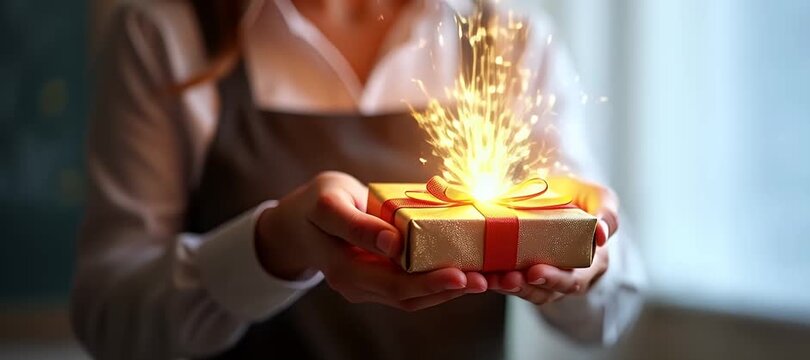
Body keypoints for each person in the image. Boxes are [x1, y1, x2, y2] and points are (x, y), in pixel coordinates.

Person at [72, 0, 645, 358]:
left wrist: (585, 263)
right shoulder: (164, 34)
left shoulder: (506, 37)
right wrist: (270, 248)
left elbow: (612, 309)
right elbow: (109, 320)